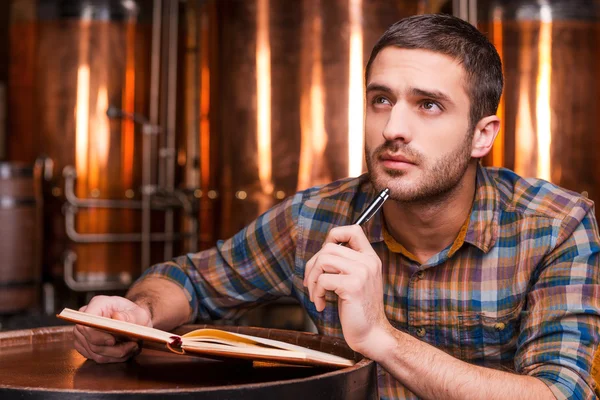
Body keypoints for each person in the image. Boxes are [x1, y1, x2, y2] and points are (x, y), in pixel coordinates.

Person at [73, 14, 600, 399]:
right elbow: (190, 281)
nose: (394, 127)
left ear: (482, 135)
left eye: (429, 105)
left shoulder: (554, 227)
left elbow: (560, 396)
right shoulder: (315, 218)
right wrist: (136, 315)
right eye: (381, 100)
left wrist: (380, 338)